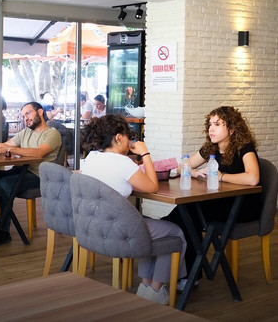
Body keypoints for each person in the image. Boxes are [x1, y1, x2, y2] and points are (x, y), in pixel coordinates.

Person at [80, 115, 186, 305]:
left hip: (95, 225)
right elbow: (152, 186)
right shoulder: (123, 163)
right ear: (118, 137)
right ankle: (156, 289)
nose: (130, 142)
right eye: (128, 137)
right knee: (175, 232)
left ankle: (146, 285)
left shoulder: (91, 158)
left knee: (144, 225)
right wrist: (145, 154)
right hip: (119, 230)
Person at [163, 106, 260, 290]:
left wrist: (221, 176)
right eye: (210, 124)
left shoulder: (245, 148)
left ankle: (188, 273)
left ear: (231, 128)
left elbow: (253, 178)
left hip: (243, 205)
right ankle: (188, 272)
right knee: (185, 213)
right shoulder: (211, 148)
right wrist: (195, 172)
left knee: (188, 213)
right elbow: (181, 166)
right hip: (220, 202)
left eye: (217, 124)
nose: (211, 129)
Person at [0, 101, 62, 246]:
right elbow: (6, 145)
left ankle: (4, 231)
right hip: (19, 171)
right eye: (23, 116)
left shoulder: (52, 134)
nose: (25, 118)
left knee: (4, 183)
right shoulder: (26, 132)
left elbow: (39, 153)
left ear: (40, 112)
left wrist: (10, 149)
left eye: (28, 113)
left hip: (39, 177)